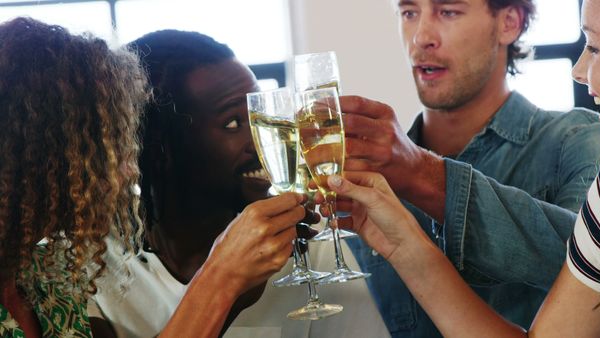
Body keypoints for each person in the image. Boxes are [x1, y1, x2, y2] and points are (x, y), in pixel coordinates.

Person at [328, 1, 600, 335]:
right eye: (408, 13)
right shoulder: (376, 181)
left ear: (509, 23)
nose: (421, 37)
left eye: (448, 11)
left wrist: (423, 176)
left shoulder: (585, 141)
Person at [88, 29, 387, 338]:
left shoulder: (313, 253)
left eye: (258, 114)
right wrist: (227, 285)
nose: (261, 140)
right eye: (233, 123)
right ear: (158, 147)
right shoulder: (90, 265)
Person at [0, 17, 148, 337]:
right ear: (40, 154)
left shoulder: (47, 278)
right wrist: (220, 281)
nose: (128, 171)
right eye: (107, 146)